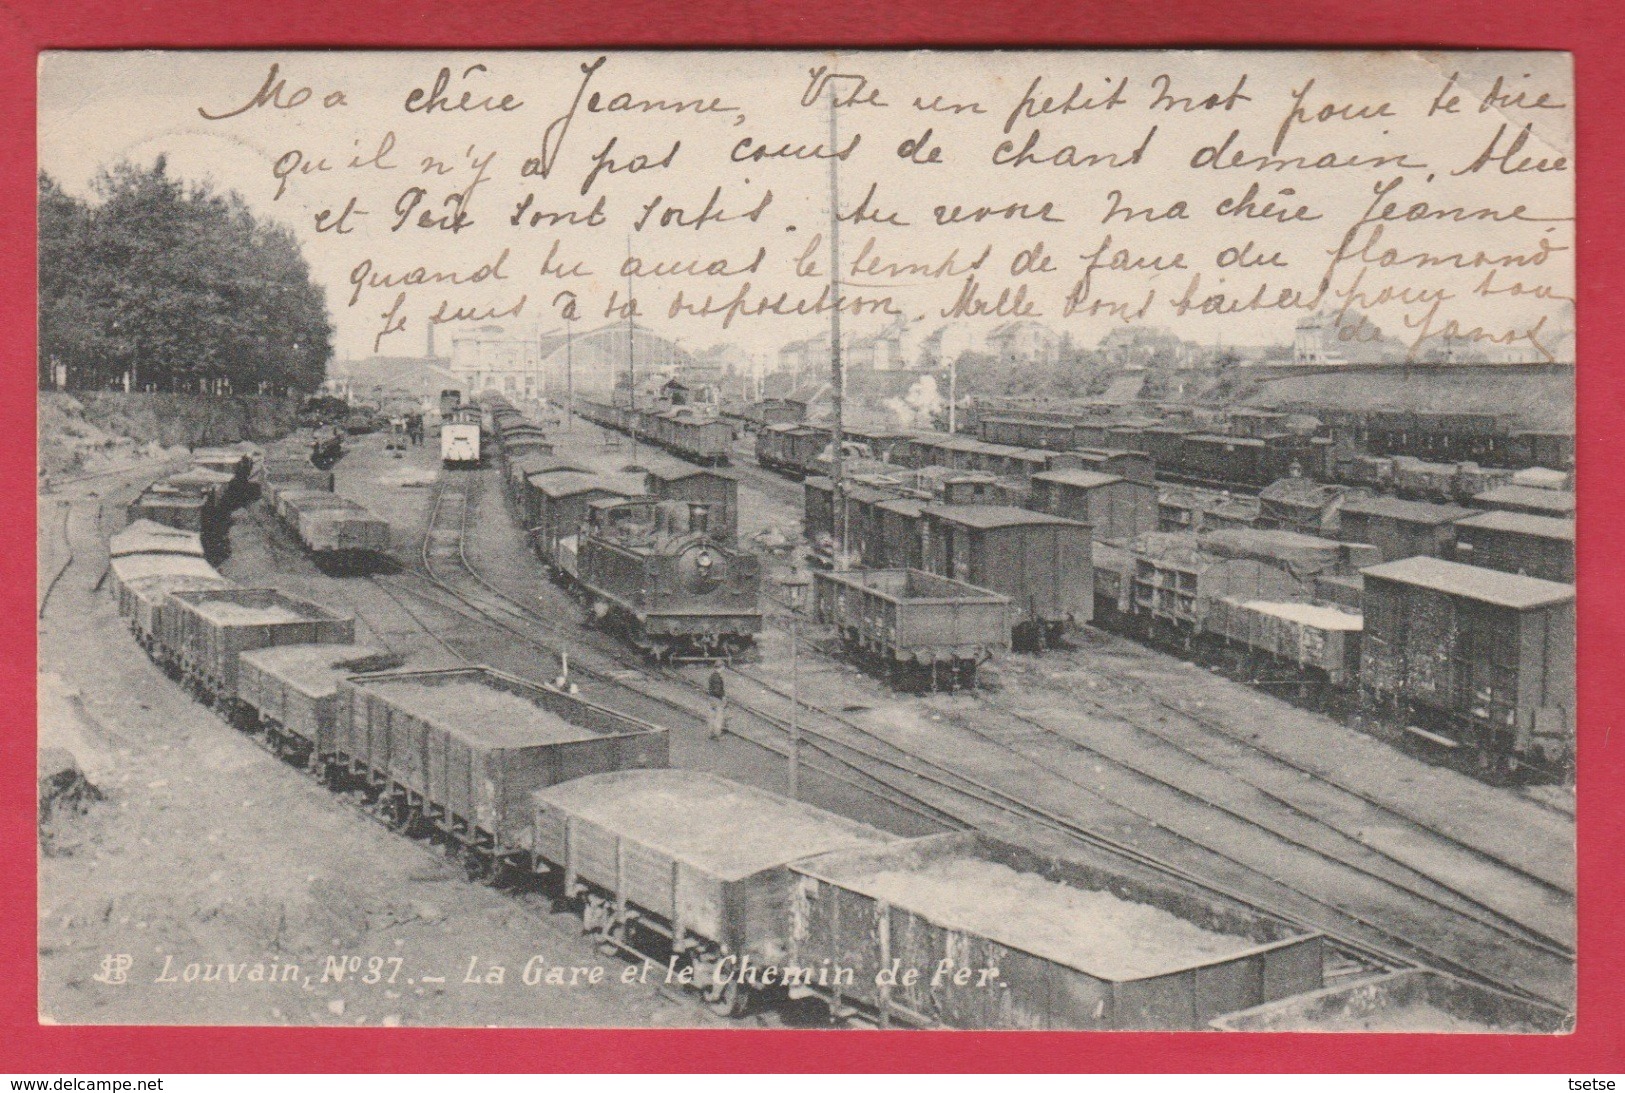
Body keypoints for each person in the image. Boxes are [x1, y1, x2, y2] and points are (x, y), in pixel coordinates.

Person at [707, 666, 728, 740]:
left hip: (712, 698)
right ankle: (717, 734)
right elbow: (717, 690)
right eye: (723, 667)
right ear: (721, 667)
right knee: (719, 718)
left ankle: (711, 733)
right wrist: (723, 697)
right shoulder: (718, 678)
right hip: (717, 699)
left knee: (712, 716)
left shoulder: (712, 675)